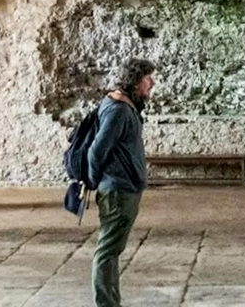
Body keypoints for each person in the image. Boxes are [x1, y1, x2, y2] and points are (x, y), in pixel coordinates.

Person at [87, 56, 156, 307]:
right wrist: (95, 181)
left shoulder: (122, 105)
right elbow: (96, 150)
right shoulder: (118, 110)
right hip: (118, 190)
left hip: (123, 187)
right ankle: (106, 303)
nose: (152, 84)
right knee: (107, 251)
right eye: (148, 79)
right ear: (136, 81)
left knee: (112, 251)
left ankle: (111, 302)